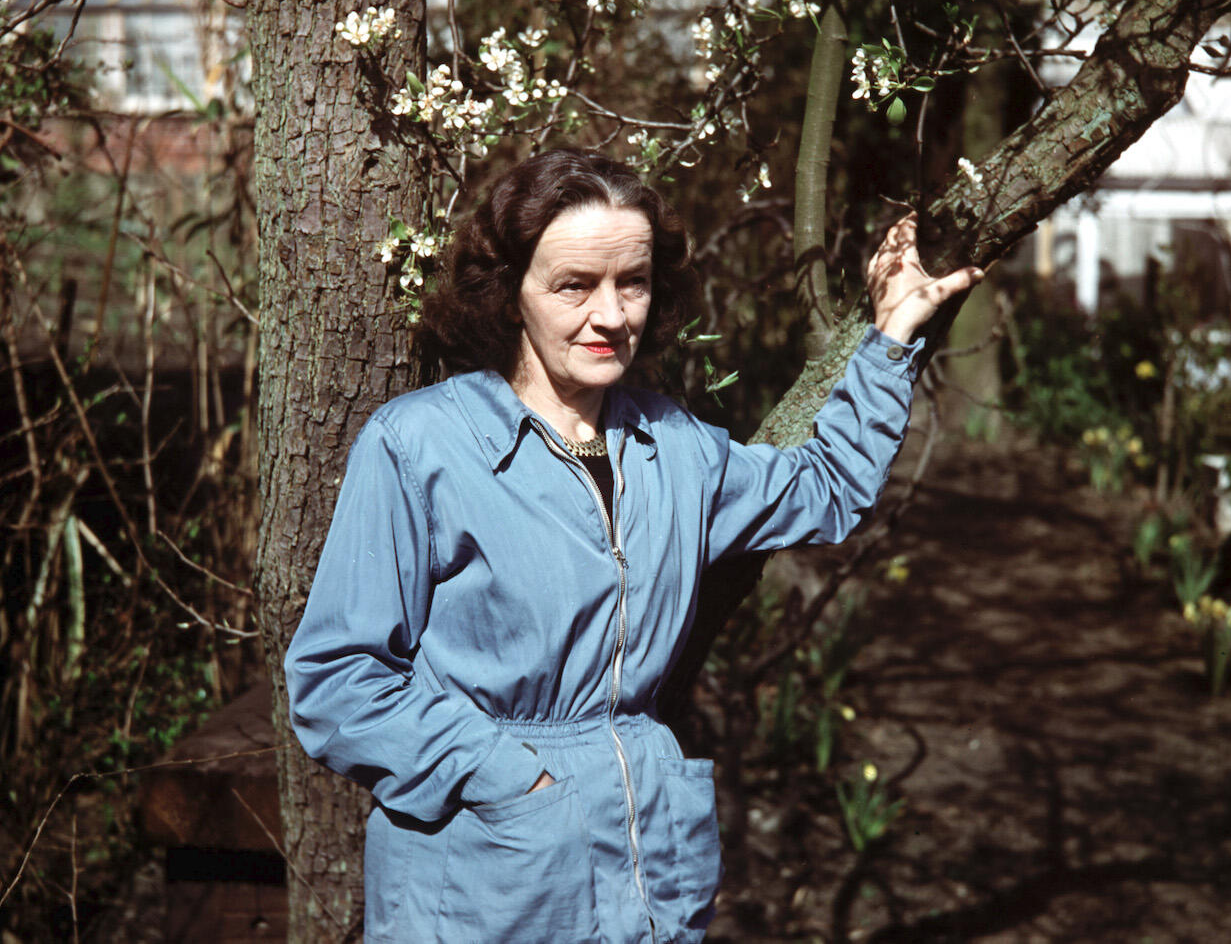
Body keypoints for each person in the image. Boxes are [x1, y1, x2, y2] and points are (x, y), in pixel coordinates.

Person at [284, 148, 983, 943]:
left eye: (633, 283)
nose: (612, 316)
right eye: (575, 285)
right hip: (485, 882)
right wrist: (513, 778)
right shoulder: (421, 447)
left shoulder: (674, 445)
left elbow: (824, 490)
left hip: (648, 863)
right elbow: (338, 679)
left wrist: (892, 335)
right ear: (511, 292)